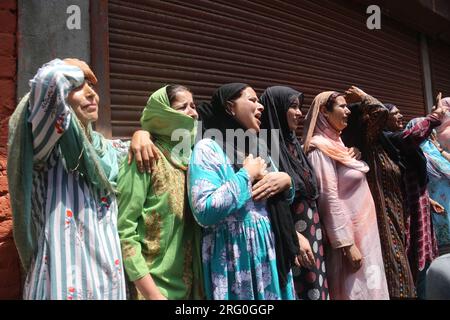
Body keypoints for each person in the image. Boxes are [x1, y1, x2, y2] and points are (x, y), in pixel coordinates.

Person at [7, 58, 154, 299]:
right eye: (77, 86)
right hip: (62, 283)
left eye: (92, 88)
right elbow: (48, 81)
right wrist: (74, 67)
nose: (91, 94)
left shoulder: (107, 151)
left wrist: (141, 132)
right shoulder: (48, 149)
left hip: (108, 284)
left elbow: (149, 146)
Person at [189, 83, 299, 300]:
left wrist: (287, 182)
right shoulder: (208, 149)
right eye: (252, 100)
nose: (261, 107)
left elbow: (280, 196)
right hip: (235, 258)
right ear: (230, 107)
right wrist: (246, 175)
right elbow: (204, 210)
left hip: (269, 253)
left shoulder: (257, 147)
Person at [342, 87, 448, 299]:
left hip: (403, 216)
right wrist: (364, 97)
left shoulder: (387, 145)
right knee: (400, 273)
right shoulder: (369, 146)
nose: (397, 115)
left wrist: (427, 200)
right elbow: (381, 113)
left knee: (417, 271)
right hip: (377, 222)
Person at [117, 85, 204, 300]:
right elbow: (124, 230)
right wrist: (152, 295)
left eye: (193, 106)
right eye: (183, 107)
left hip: (191, 286)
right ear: (162, 112)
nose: (192, 113)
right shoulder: (144, 157)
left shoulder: (195, 158)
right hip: (152, 288)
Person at [302, 91, 389, 300]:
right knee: (356, 291)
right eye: (342, 106)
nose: (348, 111)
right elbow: (328, 198)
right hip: (349, 239)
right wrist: (347, 245)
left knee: (371, 287)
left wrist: (355, 155)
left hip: (365, 233)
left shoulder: (339, 145)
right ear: (324, 111)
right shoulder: (319, 149)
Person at [259, 86, 329, 300]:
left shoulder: (293, 145)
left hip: (312, 231)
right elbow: (269, 202)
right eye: (293, 107)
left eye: (300, 107)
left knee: (317, 287)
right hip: (291, 235)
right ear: (278, 110)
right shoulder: (265, 148)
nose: (299, 113)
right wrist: (293, 235)